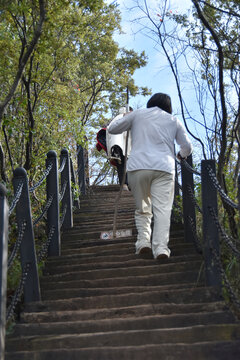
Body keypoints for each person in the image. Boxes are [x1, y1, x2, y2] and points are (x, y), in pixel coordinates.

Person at [107, 93, 192, 259]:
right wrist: (181, 155)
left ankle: (143, 243)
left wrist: (126, 116)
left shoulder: (137, 114)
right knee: (162, 211)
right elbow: (187, 146)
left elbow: (112, 128)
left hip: (138, 167)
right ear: (169, 107)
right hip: (164, 168)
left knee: (143, 209)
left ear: (150, 102)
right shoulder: (173, 120)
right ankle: (160, 248)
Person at [106, 106, 133, 190]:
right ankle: (126, 184)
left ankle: (125, 184)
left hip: (119, 146)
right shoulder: (126, 117)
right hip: (124, 146)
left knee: (121, 165)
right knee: (125, 165)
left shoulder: (116, 119)